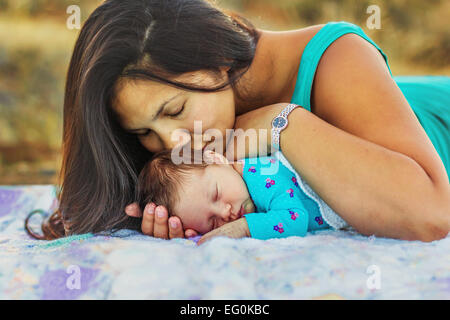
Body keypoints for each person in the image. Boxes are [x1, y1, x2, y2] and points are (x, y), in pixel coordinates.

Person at [26, 0, 450, 242]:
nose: (174, 142)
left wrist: (283, 125)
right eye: (143, 133)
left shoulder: (335, 58)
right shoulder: (194, 139)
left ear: (218, 60)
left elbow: (430, 215)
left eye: (174, 111)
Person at [136, 149, 333, 244]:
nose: (225, 212)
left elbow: (295, 218)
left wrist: (243, 227)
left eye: (216, 194)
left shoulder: (263, 175)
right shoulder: (242, 189)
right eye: (212, 223)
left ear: (216, 159)